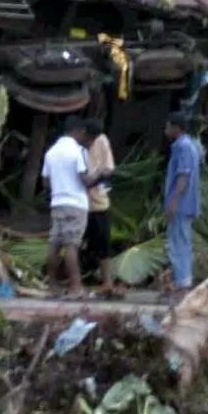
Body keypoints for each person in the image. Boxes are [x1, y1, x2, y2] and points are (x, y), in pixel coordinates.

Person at [42, 119, 108, 297]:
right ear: (77, 131)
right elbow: (85, 180)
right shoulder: (78, 151)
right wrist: (100, 173)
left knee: (55, 244)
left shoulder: (51, 152)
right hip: (75, 204)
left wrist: (60, 185)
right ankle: (75, 287)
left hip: (57, 203)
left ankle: (52, 287)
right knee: (71, 245)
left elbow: (46, 182)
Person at [163, 112, 203, 291]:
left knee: (179, 242)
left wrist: (173, 200)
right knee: (181, 241)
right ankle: (182, 280)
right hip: (185, 203)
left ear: (176, 128)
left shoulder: (183, 147)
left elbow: (183, 175)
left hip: (181, 203)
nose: (166, 130)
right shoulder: (190, 145)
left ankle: (183, 282)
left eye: (168, 126)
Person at [83, 123, 117, 293]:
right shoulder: (79, 145)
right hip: (82, 203)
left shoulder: (101, 141)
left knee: (102, 243)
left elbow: (109, 169)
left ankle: (107, 282)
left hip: (97, 201)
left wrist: (94, 178)